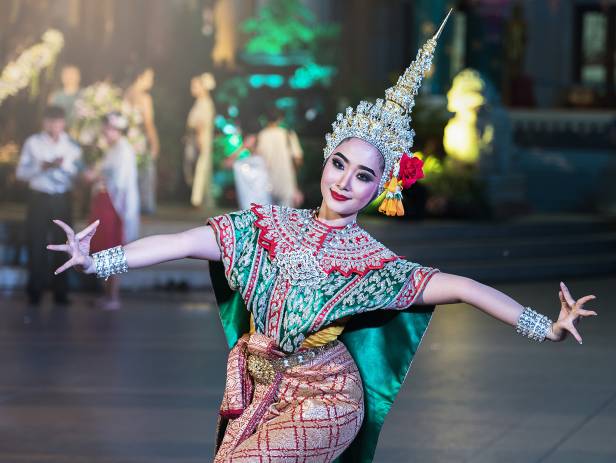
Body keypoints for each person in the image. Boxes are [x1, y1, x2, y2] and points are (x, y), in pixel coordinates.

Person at [47, 14, 598, 462]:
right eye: (339, 164)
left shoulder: (374, 264)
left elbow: (464, 287)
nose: (344, 182)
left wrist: (545, 328)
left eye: (363, 176)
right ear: (325, 160)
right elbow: (181, 243)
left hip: (328, 398)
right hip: (262, 386)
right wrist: (99, 261)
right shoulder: (265, 227)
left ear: (380, 189)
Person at [16, 105, 82, 306]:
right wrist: (39, 167)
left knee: (64, 244)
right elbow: (20, 173)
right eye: (50, 121)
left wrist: (63, 166)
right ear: (44, 122)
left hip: (61, 198)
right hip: (39, 198)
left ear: (64, 123)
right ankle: (34, 291)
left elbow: (79, 173)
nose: (54, 126)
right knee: (36, 243)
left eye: (58, 121)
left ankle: (60, 292)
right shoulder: (33, 143)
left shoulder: (72, 146)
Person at [84, 112, 140, 310]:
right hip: (104, 201)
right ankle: (107, 294)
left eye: (108, 128)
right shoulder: (113, 149)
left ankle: (113, 295)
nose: (105, 132)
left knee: (112, 246)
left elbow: (120, 181)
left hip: (113, 204)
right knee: (103, 246)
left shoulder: (123, 150)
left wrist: (98, 176)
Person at [125, 68, 159, 214]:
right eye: (149, 77)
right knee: (145, 174)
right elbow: (148, 123)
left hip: (126, 141)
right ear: (139, 76)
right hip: (139, 141)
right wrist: (155, 143)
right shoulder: (145, 98)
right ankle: (144, 208)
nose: (151, 82)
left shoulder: (125, 93)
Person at [255, 107, 304, 207]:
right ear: (280, 119)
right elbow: (298, 160)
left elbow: (257, 159)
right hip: (286, 183)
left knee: (268, 218)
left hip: (266, 183)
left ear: (266, 119)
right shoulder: (288, 134)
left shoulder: (261, 135)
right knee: (285, 218)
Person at [185, 72, 216, 209]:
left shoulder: (205, 103)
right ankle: (198, 200)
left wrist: (199, 141)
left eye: (195, 86)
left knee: (200, 169)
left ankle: (197, 200)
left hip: (201, 138)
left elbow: (201, 124)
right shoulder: (200, 102)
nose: (192, 89)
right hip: (196, 138)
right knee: (197, 168)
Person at [48, 65, 82, 131]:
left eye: (73, 74)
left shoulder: (85, 95)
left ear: (79, 77)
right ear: (62, 77)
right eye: (67, 74)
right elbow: (50, 118)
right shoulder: (55, 96)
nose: (70, 77)